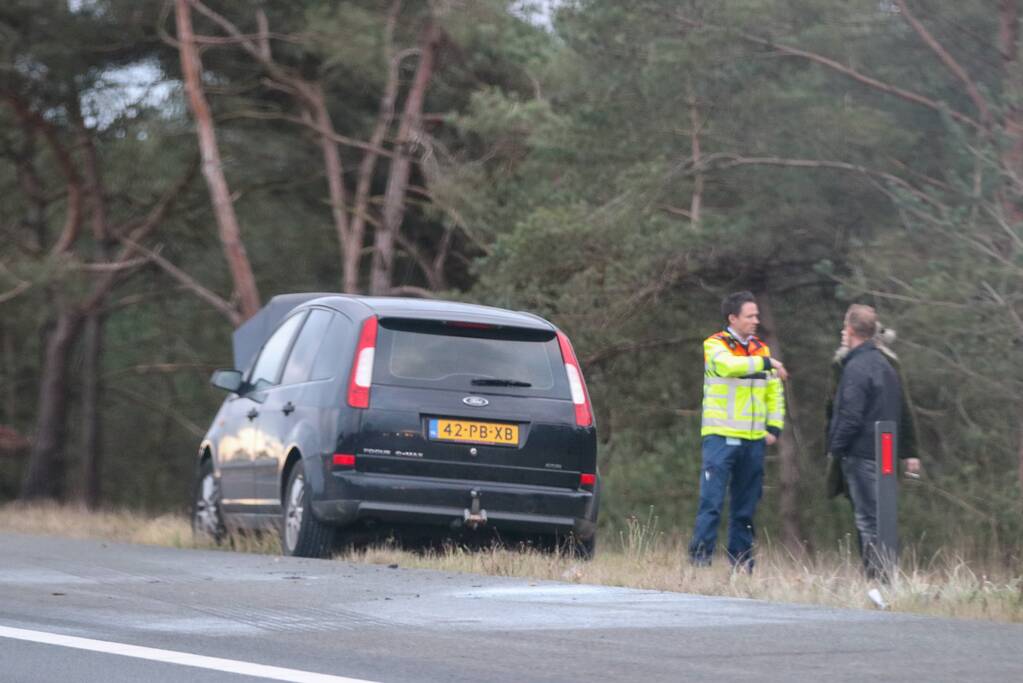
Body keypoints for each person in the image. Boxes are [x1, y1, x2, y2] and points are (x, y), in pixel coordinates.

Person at [688, 291, 788, 570]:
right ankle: (699, 562)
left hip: (753, 440)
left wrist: (775, 426)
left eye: (757, 315)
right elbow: (728, 367)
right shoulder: (715, 345)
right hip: (720, 436)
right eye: (750, 316)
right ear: (733, 318)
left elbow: (774, 391)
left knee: (745, 508)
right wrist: (766, 363)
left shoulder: (760, 348)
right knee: (712, 503)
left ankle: (742, 564)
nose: (756, 320)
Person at [828, 304, 921, 580]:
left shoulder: (856, 367)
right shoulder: (886, 365)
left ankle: (878, 581)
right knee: (884, 521)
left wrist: (836, 448)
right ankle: (887, 578)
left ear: (852, 330)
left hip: (862, 454)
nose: (843, 332)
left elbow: (851, 416)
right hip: (885, 455)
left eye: (845, 326)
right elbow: (900, 410)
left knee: (868, 521)